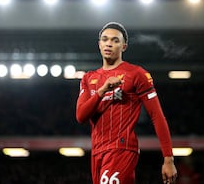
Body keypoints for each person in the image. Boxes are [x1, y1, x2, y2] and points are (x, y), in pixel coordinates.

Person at [76, 22, 177, 184]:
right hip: (97, 152)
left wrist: (168, 158)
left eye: (115, 40)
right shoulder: (88, 78)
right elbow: (81, 116)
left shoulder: (137, 74)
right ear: (99, 44)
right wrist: (103, 91)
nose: (109, 43)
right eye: (105, 39)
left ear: (124, 46)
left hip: (121, 148)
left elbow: (157, 116)